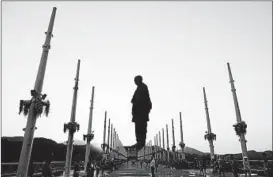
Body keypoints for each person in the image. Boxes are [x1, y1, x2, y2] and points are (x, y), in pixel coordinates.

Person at [131, 75, 152, 150]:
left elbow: (143, 100)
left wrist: (144, 110)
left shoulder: (143, 87)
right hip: (138, 113)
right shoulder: (139, 88)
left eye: (136, 80)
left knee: (141, 128)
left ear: (139, 80)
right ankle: (139, 142)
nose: (135, 82)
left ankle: (141, 143)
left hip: (141, 113)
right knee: (138, 128)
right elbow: (134, 100)